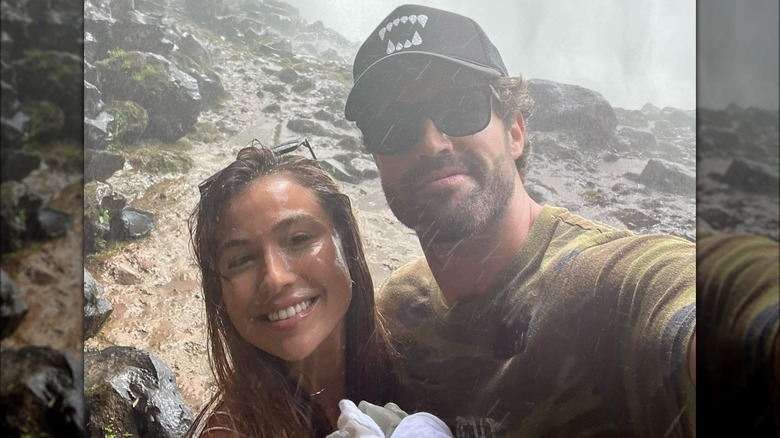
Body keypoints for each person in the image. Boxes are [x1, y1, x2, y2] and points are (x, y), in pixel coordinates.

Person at [343, 4, 779, 437]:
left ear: (515, 132)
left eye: (458, 105)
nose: (431, 142)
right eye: (393, 123)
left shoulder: (614, 285)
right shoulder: (396, 313)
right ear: (378, 159)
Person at [185, 144, 400, 437]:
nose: (274, 278)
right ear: (219, 293)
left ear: (346, 245)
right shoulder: (229, 431)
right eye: (241, 260)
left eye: (298, 239)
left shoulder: (421, 354)